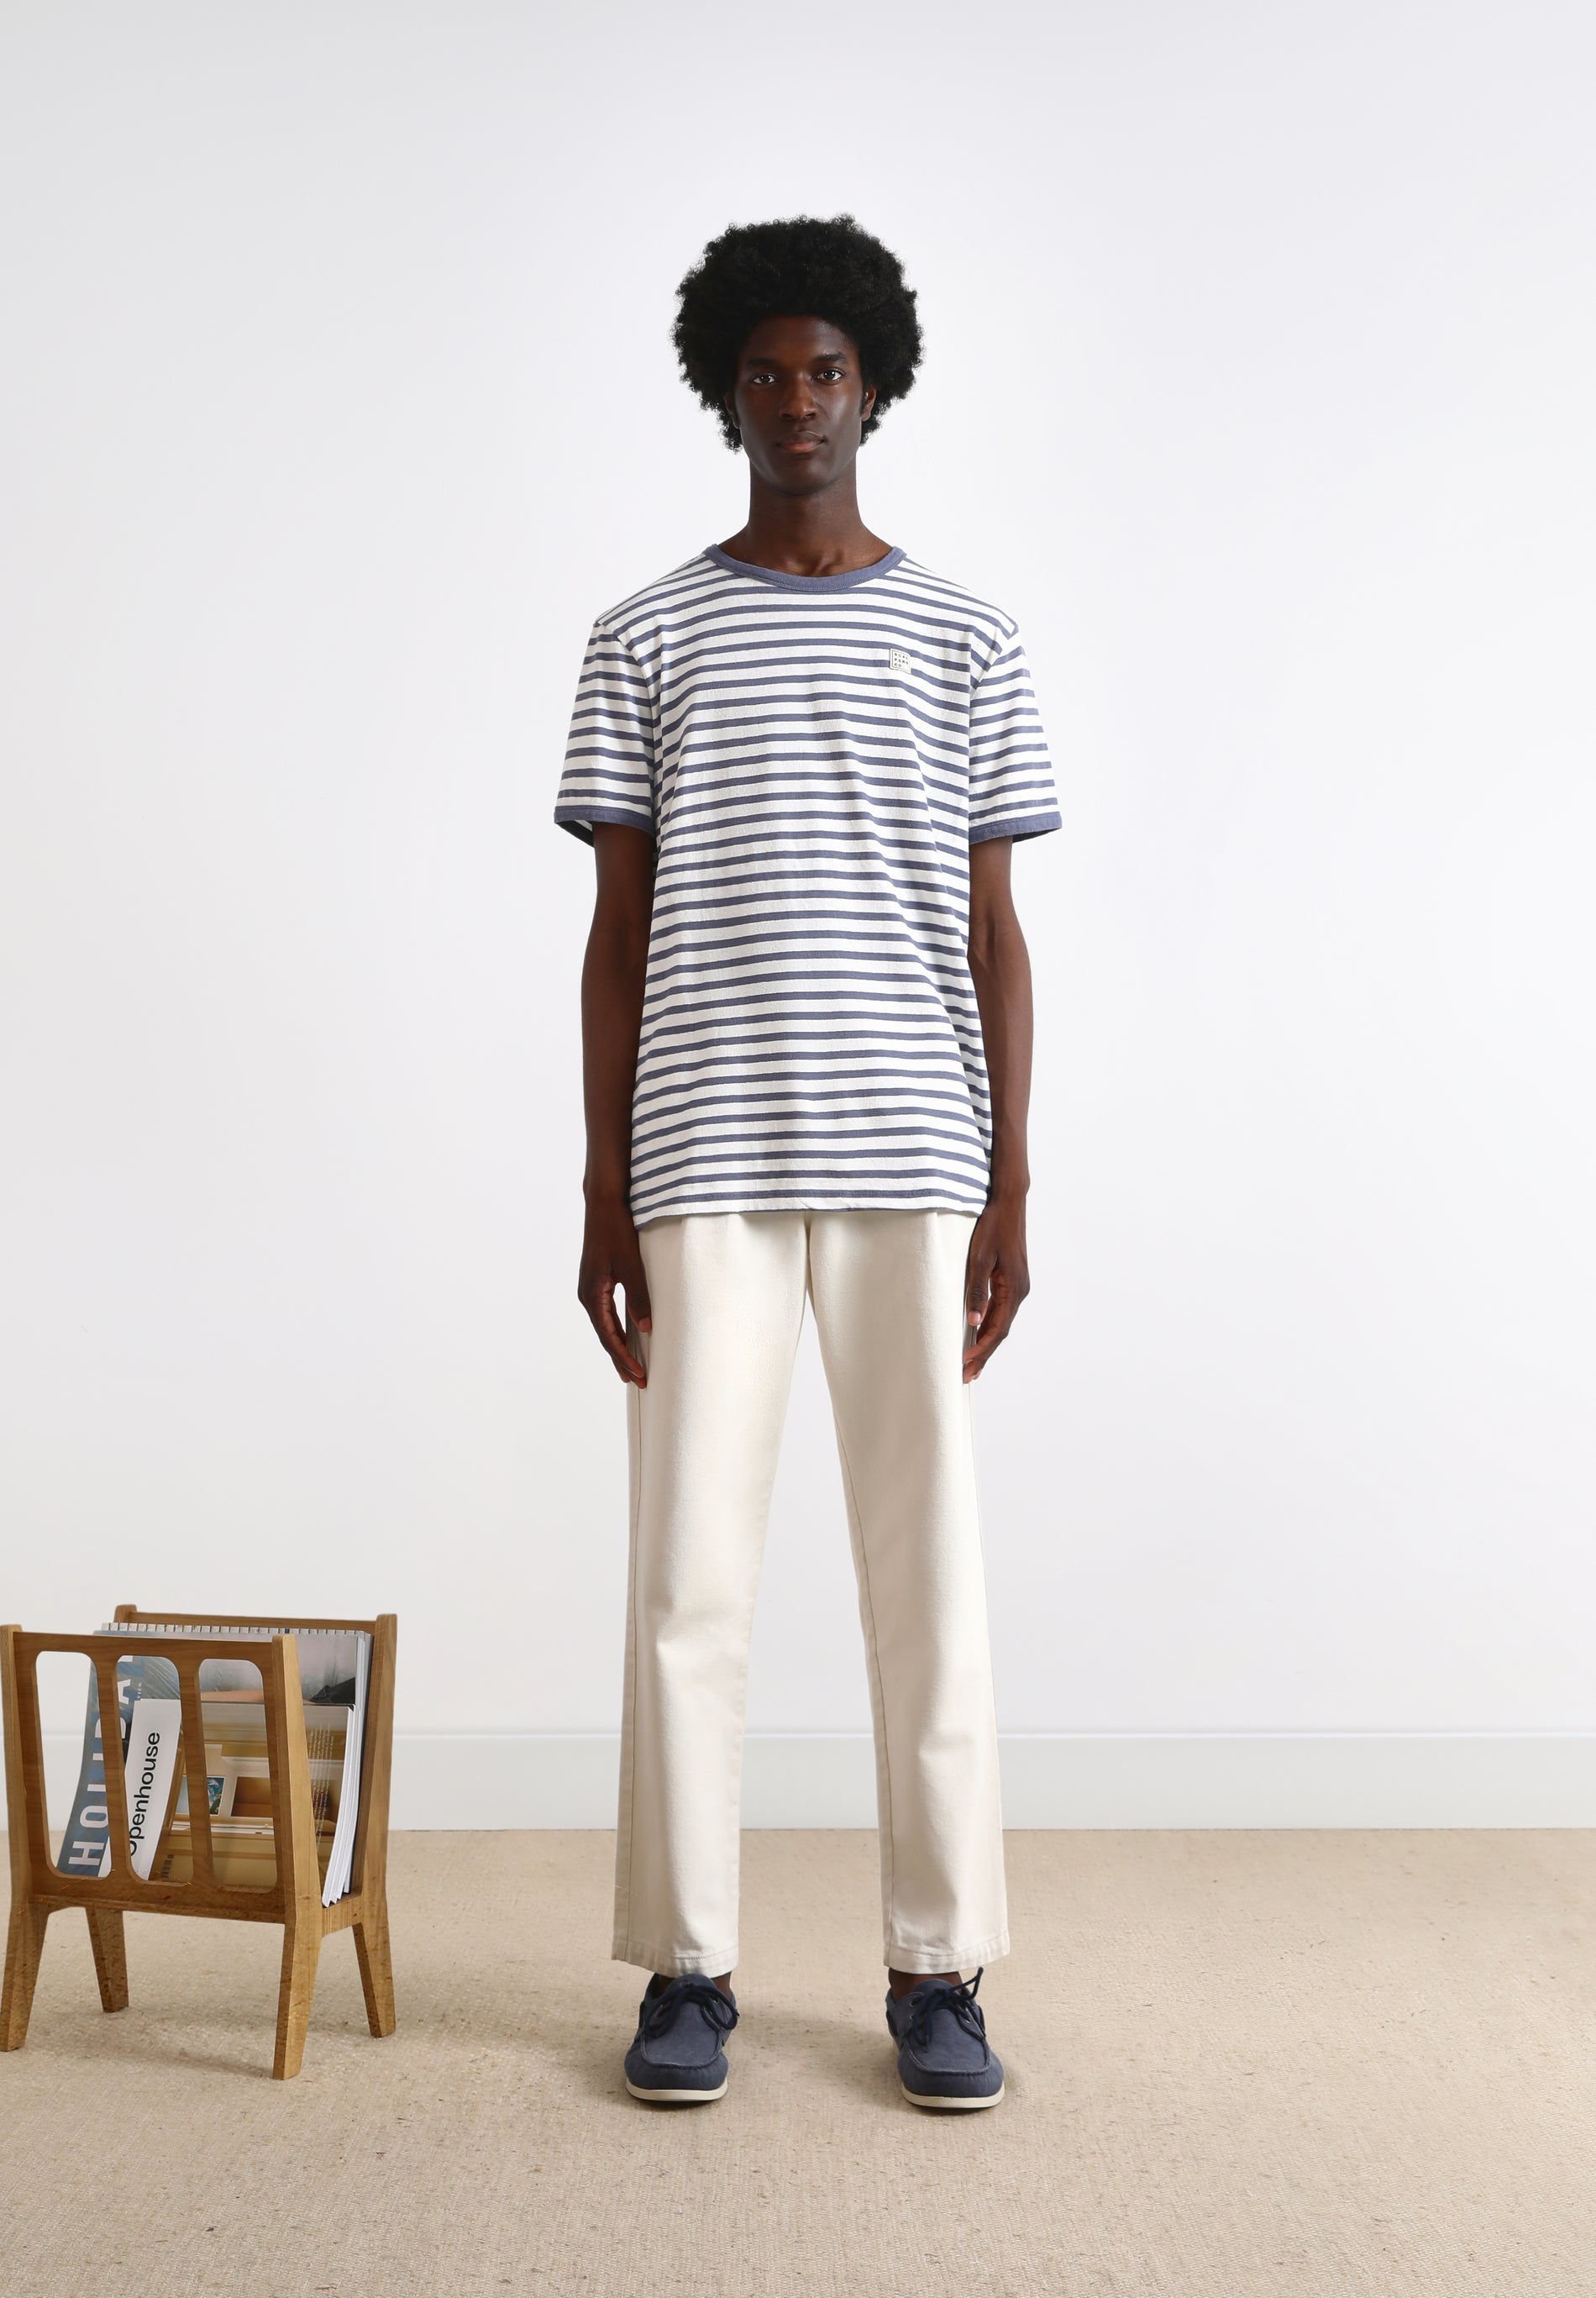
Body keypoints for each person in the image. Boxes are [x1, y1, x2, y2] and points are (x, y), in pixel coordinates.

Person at [554, 214, 1060, 2111]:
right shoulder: (643, 634)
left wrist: (1012, 1185)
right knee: (686, 1578)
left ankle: (941, 1968)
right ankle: (685, 1966)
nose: (796, 399)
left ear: (873, 386)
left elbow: (994, 932)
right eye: (764, 372)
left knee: (929, 1579)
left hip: (915, 1150)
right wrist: (599, 1191)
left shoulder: (967, 635)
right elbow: (616, 936)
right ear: (726, 391)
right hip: (700, 1154)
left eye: (825, 370)